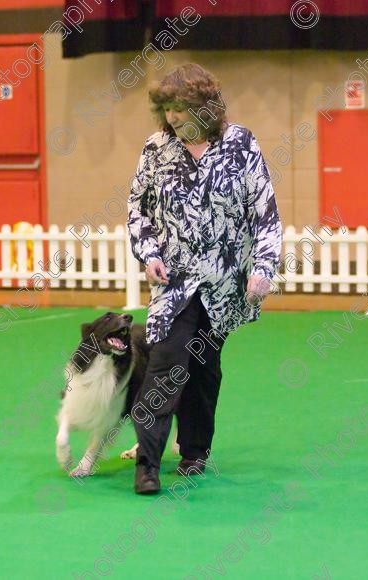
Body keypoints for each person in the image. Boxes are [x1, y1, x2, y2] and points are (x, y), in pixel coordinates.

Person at [127, 63, 283, 494]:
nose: (172, 117)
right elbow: (137, 209)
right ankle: (148, 463)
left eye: (179, 108)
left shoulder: (241, 144)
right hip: (173, 284)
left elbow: (265, 214)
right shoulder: (156, 148)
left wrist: (263, 268)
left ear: (204, 106)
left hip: (223, 284)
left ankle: (195, 451)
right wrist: (150, 253)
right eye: (166, 108)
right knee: (164, 364)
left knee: (203, 369)